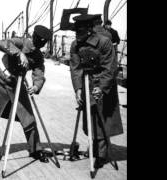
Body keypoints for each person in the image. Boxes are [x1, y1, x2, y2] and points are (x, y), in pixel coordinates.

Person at [0, 25, 52, 163]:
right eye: (38, 40)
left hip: (16, 84)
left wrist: (36, 86)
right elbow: (2, 42)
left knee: (28, 117)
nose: (39, 44)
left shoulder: (38, 56)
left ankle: (35, 149)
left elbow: (39, 71)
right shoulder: (21, 42)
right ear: (33, 36)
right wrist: (19, 53)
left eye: (43, 42)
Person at [69, 14, 123, 169]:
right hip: (86, 83)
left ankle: (100, 155)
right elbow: (75, 68)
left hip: (104, 84)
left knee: (102, 119)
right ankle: (94, 148)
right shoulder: (75, 45)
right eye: (76, 30)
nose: (77, 33)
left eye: (80, 30)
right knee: (90, 119)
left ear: (89, 29)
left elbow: (110, 68)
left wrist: (101, 87)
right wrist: (78, 88)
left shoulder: (104, 42)